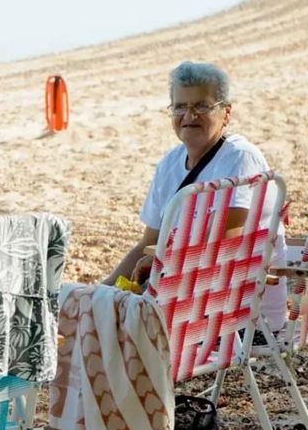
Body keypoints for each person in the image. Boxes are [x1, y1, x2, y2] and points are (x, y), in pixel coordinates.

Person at [106, 61, 287, 332]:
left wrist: (162, 262)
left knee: (120, 331)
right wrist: (101, 292)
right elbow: (148, 243)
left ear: (226, 113)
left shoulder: (239, 158)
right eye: (180, 107)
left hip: (241, 318)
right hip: (187, 299)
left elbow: (229, 244)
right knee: (99, 313)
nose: (189, 115)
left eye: (202, 106)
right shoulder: (170, 163)